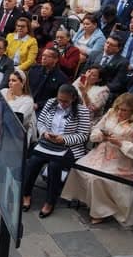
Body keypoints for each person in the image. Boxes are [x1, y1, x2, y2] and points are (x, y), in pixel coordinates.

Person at [62, 93, 133, 227]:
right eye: (118, 108)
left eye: (124, 110)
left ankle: (100, 212)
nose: (120, 112)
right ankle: (87, 200)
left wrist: (121, 143)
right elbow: (96, 128)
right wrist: (100, 136)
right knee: (78, 166)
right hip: (100, 153)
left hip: (121, 161)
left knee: (96, 178)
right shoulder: (111, 113)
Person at [21, 84, 91, 218]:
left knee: (55, 165)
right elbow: (40, 122)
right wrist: (45, 133)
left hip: (68, 147)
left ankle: (49, 202)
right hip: (47, 142)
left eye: (66, 101)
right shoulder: (51, 103)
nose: (62, 104)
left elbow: (83, 135)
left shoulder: (82, 111)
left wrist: (64, 139)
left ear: (74, 98)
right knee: (33, 161)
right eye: (60, 100)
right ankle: (26, 194)